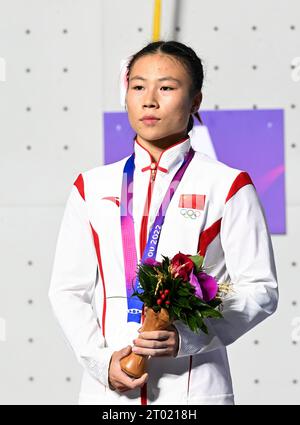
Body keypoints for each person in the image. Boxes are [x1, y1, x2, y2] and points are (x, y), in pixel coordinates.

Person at [48, 40, 279, 405]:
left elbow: (260, 289)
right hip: (108, 392)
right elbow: (67, 290)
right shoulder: (91, 187)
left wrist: (187, 337)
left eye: (167, 87)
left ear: (196, 100)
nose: (149, 100)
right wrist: (101, 361)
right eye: (138, 86)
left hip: (194, 390)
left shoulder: (227, 185)